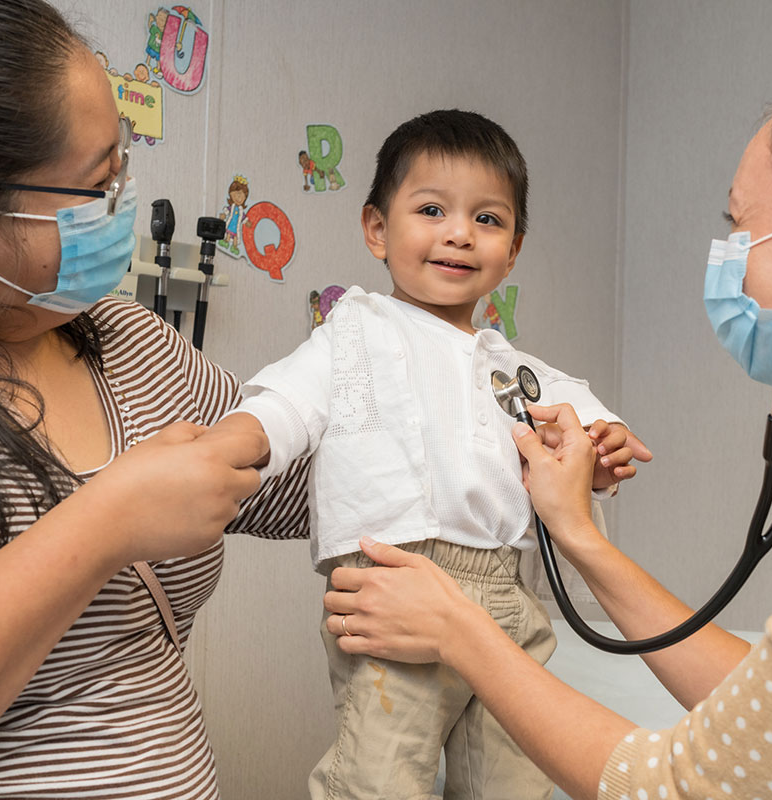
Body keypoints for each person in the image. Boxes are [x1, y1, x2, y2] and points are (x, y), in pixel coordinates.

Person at [320, 57, 772, 800]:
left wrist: (460, 630)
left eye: (740, 227)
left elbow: (691, 788)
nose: (728, 260)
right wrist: (578, 533)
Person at [0, 2, 307, 797]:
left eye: (121, 168)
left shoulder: (124, 337)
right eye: (99, 184)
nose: (124, 199)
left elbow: (294, 483)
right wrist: (103, 524)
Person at [201, 109, 652, 799]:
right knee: (380, 780)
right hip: (396, 587)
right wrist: (236, 441)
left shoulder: (512, 364)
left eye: (488, 220)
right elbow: (290, 401)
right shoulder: (355, 331)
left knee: (514, 784)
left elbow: (580, 411)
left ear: (513, 249)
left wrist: (603, 443)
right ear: (377, 230)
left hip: (513, 597)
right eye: (433, 209)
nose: (459, 233)